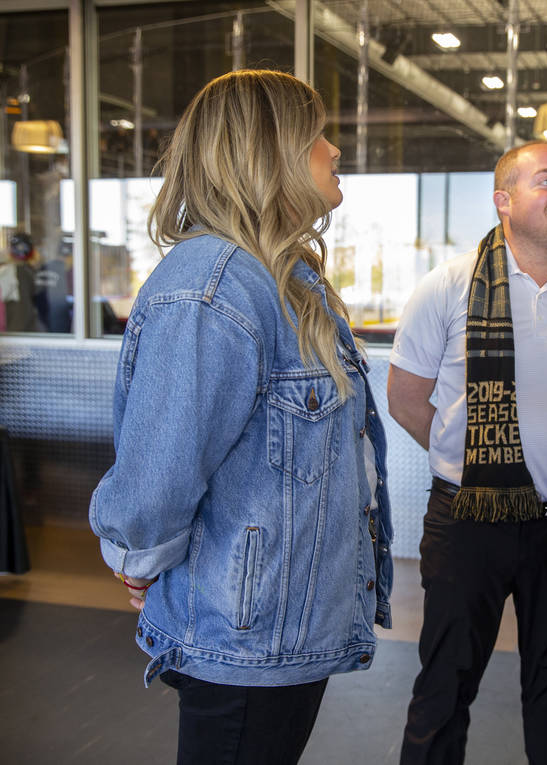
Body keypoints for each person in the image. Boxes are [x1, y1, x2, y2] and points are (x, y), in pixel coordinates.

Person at [89, 70, 393, 765]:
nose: (334, 151)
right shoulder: (213, 285)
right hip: (242, 638)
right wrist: (136, 556)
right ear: (270, 152)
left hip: (277, 629)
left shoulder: (281, 280)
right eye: (317, 136)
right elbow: (155, 480)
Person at [389, 138, 547, 764]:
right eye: (546, 181)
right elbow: (407, 400)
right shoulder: (447, 289)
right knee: (445, 681)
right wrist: (469, 462)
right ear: (503, 200)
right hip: (467, 518)